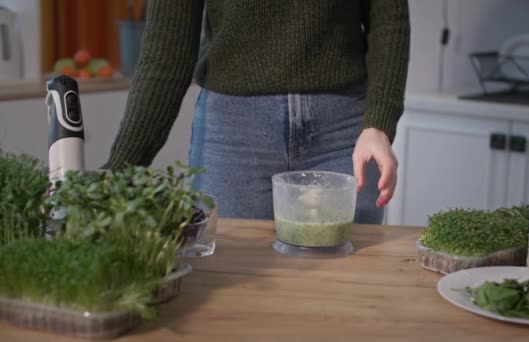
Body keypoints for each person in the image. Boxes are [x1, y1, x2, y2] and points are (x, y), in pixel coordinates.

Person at [102, 0, 410, 224]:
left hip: (344, 133)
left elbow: (388, 17)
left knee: (349, 290)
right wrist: (119, 170)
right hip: (234, 136)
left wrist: (379, 125)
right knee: (227, 286)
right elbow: (166, 54)